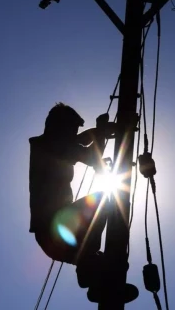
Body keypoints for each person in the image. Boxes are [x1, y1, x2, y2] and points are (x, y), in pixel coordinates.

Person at [29, 103, 115, 268]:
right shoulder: (53, 146)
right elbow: (92, 156)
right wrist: (101, 130)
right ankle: (88, 261)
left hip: (53, 237)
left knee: (98, 266)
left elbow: (81, 139)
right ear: (62, 127)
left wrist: (100, 132)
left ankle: (90, 266)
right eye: (73, 129)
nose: (74, 134)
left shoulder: (47, 144)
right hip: (55, 233)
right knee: (102, 202)